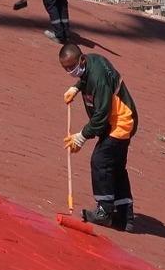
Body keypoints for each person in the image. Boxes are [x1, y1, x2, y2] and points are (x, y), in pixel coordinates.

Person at [60, 43, 139, 232]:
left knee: (100, 161)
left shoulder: (99, 78)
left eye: (72, 67)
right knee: (116, 167)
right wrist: (76, 87)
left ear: (82, 59)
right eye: (66, 69)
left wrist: (81, 136)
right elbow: (86, 79)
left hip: (120, 123)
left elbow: (101, 115)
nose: (70, 71)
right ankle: (125, 217)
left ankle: (104, 211)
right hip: (116, 122)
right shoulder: (92, 63)